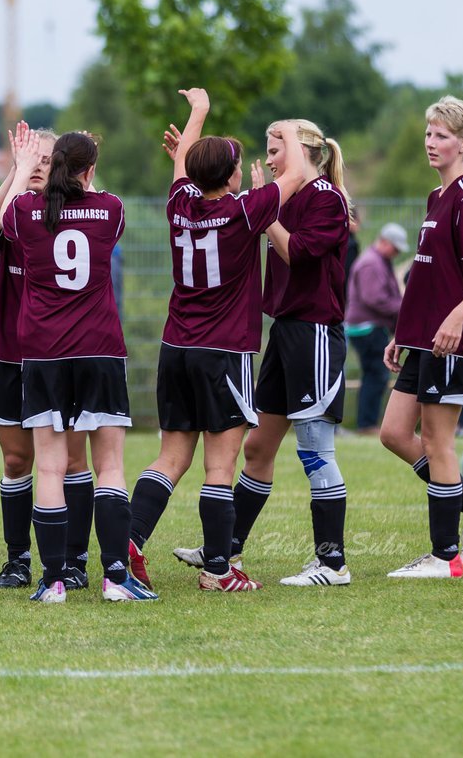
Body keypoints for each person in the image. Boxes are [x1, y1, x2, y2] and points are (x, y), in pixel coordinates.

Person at [125, 90, 306, 594]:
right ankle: (219, 571)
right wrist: (288, 129)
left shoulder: (179, 203)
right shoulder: (242, 211)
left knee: (170, 458)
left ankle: (131, 539)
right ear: (228, 177)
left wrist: (198, 112)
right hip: (223, 352)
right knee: (220, 465)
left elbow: (183, 165)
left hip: (175, 348)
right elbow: (291, 175)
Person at [177, 118, 354, 587]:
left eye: (277, 150)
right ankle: (225, 551)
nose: (271, 159)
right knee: (256, 449)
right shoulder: (289, 195)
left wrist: (264, 212)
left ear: (302, 152)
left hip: (315, 332)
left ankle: (332, 562)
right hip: (285, 333)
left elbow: (296, 252)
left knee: (315, 448)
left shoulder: (326, 199)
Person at [2, 127, 153, 603]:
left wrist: (24, 164)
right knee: (108, 466)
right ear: (90, 170)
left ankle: (53, 581)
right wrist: (86, 163)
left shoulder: (26, 212)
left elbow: (7, 212)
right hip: (100, 350)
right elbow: (93, 193)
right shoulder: (111, 208)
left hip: (44, 353)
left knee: (49, 468)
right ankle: (114, 577)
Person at [379, 96, 463, 578]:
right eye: (429, 134)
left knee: (437, 441)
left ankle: (445, 556)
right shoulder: (437, 197)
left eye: (443, 136)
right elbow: (428, 280)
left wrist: (455, 319)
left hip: (454, 340)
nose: (431, 143)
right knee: (393, 432)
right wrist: (403, 334)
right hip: (425, 339)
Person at [0, 125, 94, 590]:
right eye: (33, 157)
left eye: (47, 158)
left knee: (71, 460)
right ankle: (18, 558)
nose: (39, 165)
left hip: (62, 353)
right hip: (8, 348)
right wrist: (16, 170)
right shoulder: (16, 209)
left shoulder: (79, 213)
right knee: (15, 461)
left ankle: (75, 559)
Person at [345, 223, 408, 433]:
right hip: (367, 327)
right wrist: (405, 308)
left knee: (373, 375)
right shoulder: (372, 263)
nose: (397, 252)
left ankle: (367, 422)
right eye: (396, 247)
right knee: (377, 375)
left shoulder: (377, 260)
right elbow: (375, 299)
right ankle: (367, 424)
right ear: (384, 241)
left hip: (367, 327)